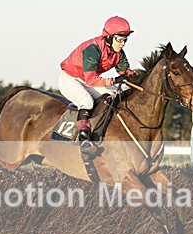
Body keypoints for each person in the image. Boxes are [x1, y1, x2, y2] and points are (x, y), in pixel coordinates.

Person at [58, 15, 137, 155]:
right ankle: (84, 140)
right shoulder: (93, 50)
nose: (123, 43)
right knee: (86, 101)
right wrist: (114, 80)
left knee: (117, 94)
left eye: (125, 39)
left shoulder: (118, 53)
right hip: (70, 79)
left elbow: (124, 72)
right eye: (119, 39)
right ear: (109, 37)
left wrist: (135, 76)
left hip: (87, 80)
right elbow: (91, 80)